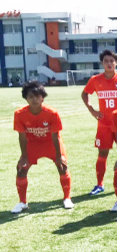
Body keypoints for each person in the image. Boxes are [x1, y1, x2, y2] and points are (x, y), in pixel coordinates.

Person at [12, 81, 74, 213]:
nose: (34, 99)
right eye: (31, 97)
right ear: (26, 98)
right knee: (21, 170)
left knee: (62, 167)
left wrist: (59, 156)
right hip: (32, 144)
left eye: (37, 96)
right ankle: (22, 202)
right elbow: (22, 136)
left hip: (51, 143)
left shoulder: (52, 113)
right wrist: (23, 156)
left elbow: (55, 136)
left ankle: (67, 198)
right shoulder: (19, 114)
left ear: (42, 97)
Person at [82, 50, 117, 196]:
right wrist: (92, 110)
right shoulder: (95, 80)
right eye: (106, 61)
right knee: (102, 154)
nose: (109, 63)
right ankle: (99, 184)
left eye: (112, 61)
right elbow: (85, 93)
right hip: (104, 124)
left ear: (116, 63)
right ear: (102, 63)